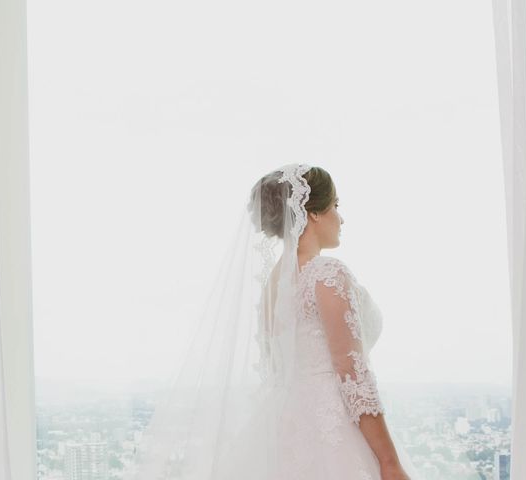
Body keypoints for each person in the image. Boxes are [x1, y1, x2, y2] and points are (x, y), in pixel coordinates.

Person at [126, 164, 419, 480]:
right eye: (336, 205)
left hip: (283, 430)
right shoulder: (327, 273)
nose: (341, 217)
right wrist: (389, 462)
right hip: (332, 430)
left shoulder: (275, 285)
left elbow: (278, 369)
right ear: (314, 212)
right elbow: (352, 374)